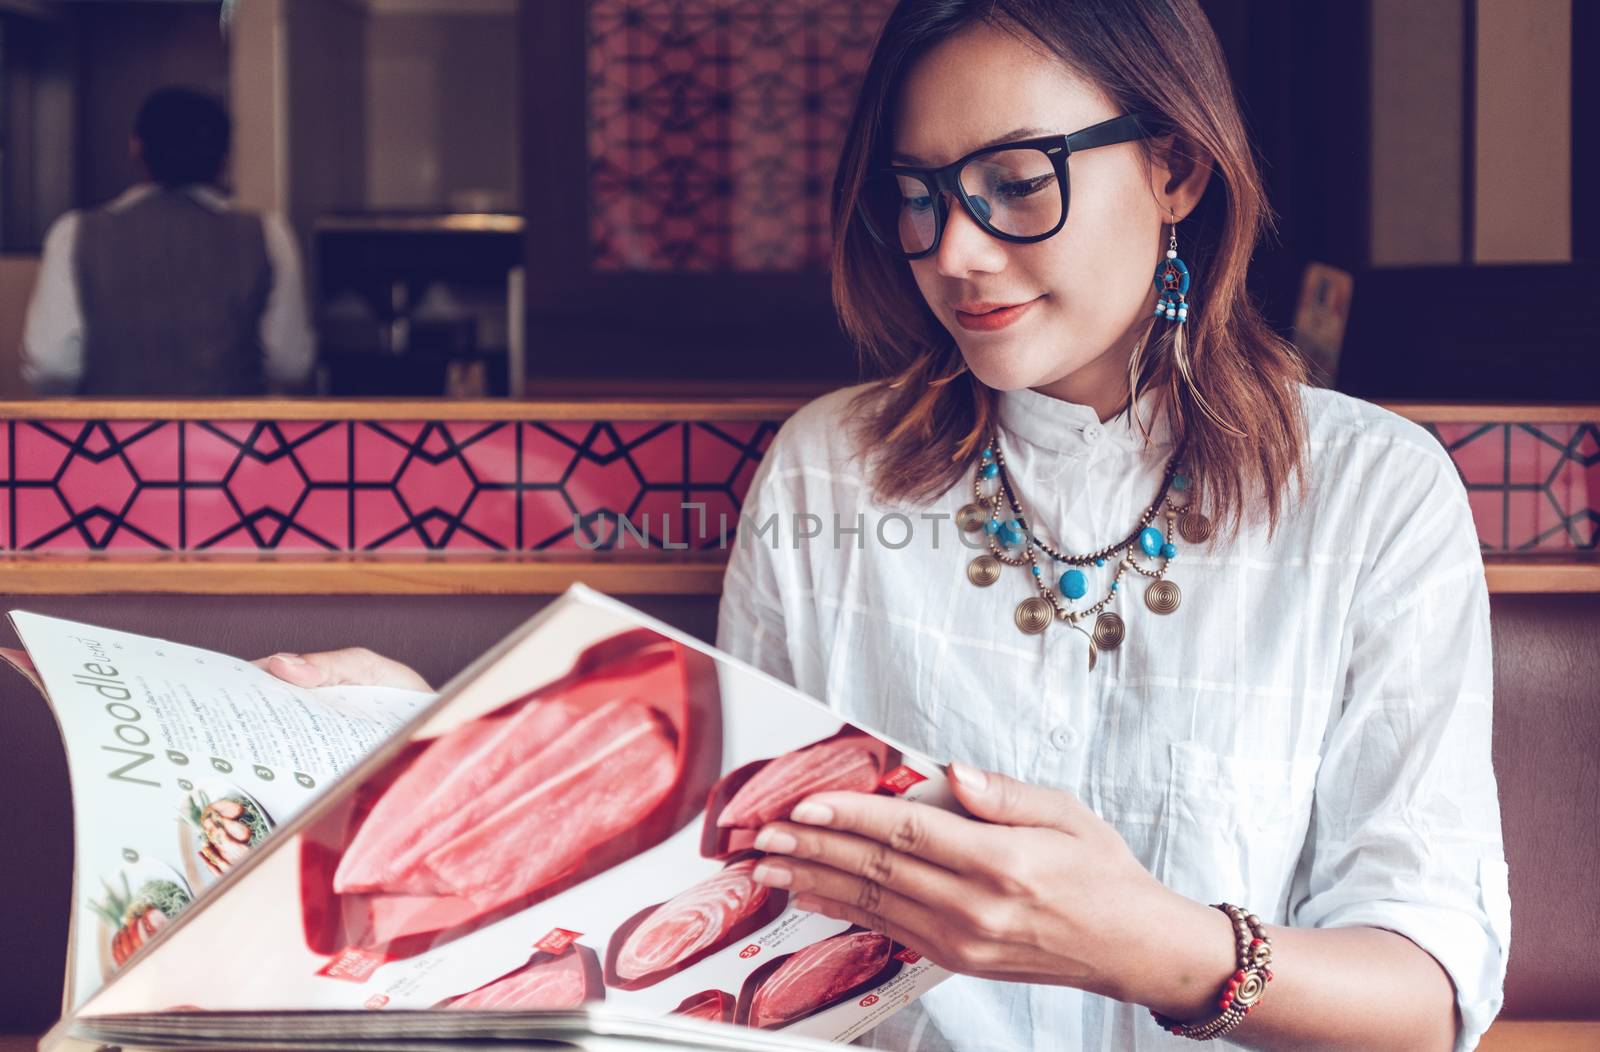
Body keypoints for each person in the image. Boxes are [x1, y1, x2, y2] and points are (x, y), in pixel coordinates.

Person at [260, 1, 1508, 1048]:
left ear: (1175, 167)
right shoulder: (832, 474)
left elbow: (1430, 985)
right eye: (919, 196)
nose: (953, 250)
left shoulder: (1369, 495)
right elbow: (726, 883)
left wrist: (1145, 943)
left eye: (1017, 184)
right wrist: (437, 737)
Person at [22, 86, 313, 395]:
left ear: (136, 146)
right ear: (225, 157)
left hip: (111, 438)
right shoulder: (268, 234)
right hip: (234, 438)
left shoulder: (75, 233)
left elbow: (51, 363)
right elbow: (290, 363)